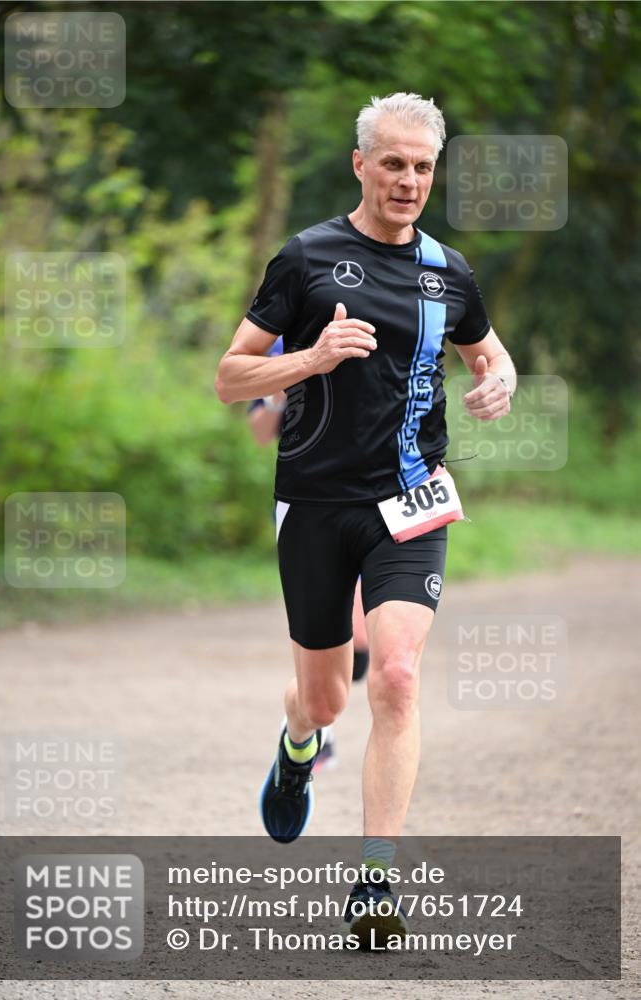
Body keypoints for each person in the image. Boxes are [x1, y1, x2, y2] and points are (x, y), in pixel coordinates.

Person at [215, 92, 516, 946]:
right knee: (324, 697)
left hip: (412, 502)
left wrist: (500, 383)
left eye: (422, 166)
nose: (408, 180)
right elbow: (231, 377)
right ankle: (297, 745)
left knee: (396, 677)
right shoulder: (305, 258)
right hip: (313, 502)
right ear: (359, 164)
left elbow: (488, 354)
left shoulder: (449, 272)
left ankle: (376, 879)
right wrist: (309, 357)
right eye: (392, 163)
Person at [247, 337, 369, 773]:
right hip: (310, 506)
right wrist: (280, 392)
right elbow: (261, 432)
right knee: (336, 633)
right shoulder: (282, 342)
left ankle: (318, 716)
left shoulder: (376, 316)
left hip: (374, 498)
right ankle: (318, 726)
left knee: (361, 647)